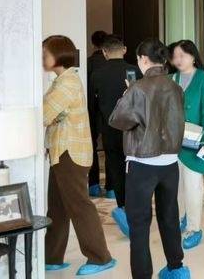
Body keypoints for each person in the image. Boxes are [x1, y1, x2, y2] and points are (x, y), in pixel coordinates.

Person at [109, 39, 189, 279]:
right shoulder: (175, 87)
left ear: (144, 59)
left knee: (140, 224)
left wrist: (126, 95)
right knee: (169, 216)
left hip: (142, 164)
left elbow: (118, 120)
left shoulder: (138, 88)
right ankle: (176, 268)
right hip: (170, 163)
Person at [42, 35, 116, 276]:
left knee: (79, 206)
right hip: (61, 152)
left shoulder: (68, 83)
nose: (42, 58)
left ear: (58, 55)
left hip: (70, 154)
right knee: (57, 207)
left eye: (45, 54)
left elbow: (44, 114)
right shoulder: (61, 81)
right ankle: (52, 257)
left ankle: (100, 257)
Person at [88, 34, 141, 237]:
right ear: (124, 50)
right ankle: (137, 209)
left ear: (104, 52)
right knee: (134, 168)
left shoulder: (97, 75)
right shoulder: (134, 71)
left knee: (116, 167)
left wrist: (94, 130)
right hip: (133, 129)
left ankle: (123, 208)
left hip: (110, 129)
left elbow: (93, 107)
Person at [171, 40, 204, 250]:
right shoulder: (172, 78)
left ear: (192, 56)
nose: (178, 59)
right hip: (174, 141)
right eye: (175, 56)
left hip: (195, 140)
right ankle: (182, 217)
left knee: (193, 185)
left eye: (182, 55)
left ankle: (194, 227)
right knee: (177, 185)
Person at [87, 30, 108, 197]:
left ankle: (93, 185)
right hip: (111, 112)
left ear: (92, 44)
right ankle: (112, 188)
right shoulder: (113, 64)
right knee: (112, 149)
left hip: (91, 110)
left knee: (91, 147)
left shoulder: (88, 63)